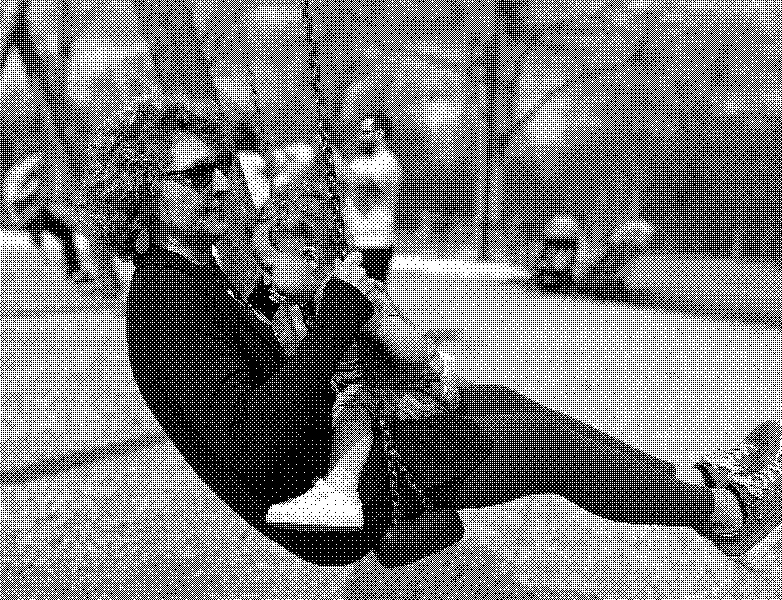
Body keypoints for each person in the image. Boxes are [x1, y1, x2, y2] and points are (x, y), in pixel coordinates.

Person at [84, 95, 782, 571]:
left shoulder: (192, 275)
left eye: (222, 168)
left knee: (504, 398)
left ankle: (691, 484)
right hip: (327, 496)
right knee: (543, 448)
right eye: (196, 172)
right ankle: (724, 513)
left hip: (330, 456)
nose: (220, 185)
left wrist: (324, 336)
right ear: (142, 188)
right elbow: (252, 439)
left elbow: (270, 385)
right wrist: (338, 325)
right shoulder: (163, 302)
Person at [2, 152, 97, 293]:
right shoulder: (31, 171)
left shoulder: (21, 171)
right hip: (31, 212)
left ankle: (70, 269)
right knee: (65, 233)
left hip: (30, 212)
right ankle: (72, 270)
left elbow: (13, 195)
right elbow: (21, 195)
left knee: (63, 234)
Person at [333, 113, 400, 286]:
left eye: (366, 132)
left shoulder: (387, 163)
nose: (360, 136)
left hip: (375, 243)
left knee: (372, 296)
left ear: (380, 133)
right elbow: (343, 177)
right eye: (361, 132)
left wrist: (332, 153)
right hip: (356, 240)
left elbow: (353, 178)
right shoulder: (361, 161)